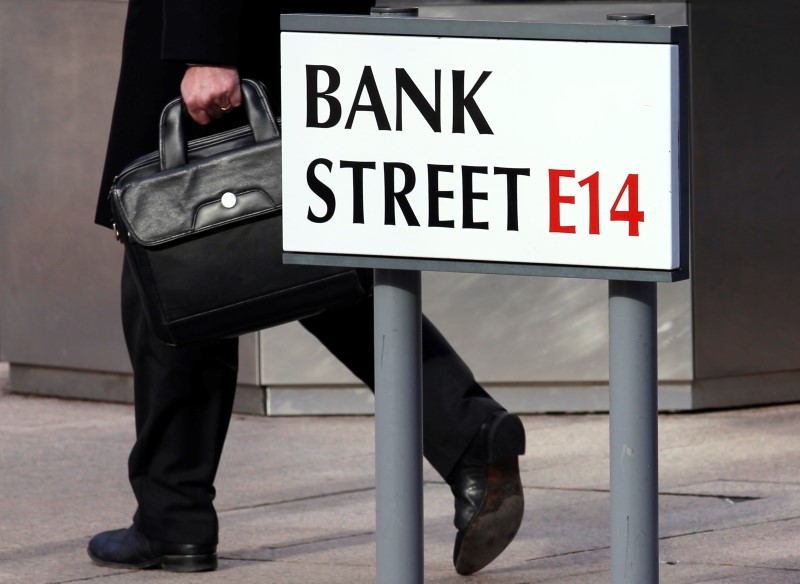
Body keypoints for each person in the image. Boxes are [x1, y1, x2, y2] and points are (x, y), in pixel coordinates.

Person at [87, 0, 526, 577]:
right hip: (300, 27)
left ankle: (175, 518)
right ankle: (468, 431)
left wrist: (205, 45)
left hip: (230, 37)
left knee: (177, 254)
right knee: (291, 263)